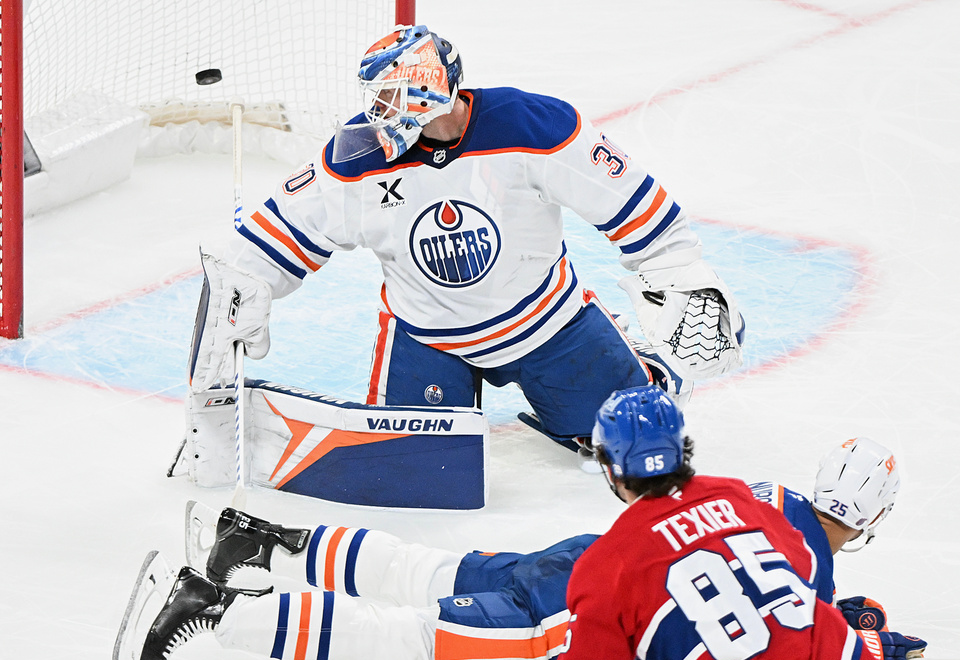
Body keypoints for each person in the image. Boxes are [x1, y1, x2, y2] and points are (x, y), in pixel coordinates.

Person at [114, 390, 926, 660]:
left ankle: (264, 542)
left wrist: (840, 627)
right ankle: (215, 609)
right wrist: (855, 640)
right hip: (590, 611)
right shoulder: (789, 551)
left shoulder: (750, 499)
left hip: (587, 558)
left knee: (435, 570)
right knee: (413, 638)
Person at [187, 24, 744, 462]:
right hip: (427, 337)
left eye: (389, 96)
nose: (376, 112)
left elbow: (624, 196)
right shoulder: (356, 155)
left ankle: (642, 367)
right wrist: (245, 283)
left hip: (547, 324)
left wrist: (678, 268)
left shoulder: (534, 126)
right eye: (373, 98)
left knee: (624, 442)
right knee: (416, 469)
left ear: (427, 89)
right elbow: (276, 232)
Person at [538, 386, 927, 660]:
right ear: (681, 448)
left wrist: (672, 648)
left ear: (610, 468)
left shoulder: (604, 566)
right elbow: (802, 570)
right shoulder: (735, 494)